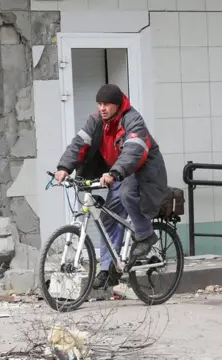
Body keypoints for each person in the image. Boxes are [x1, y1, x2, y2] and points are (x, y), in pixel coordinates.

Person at [54, 84, 168, 290]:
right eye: (99, 104)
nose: (102, 108)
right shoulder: (96, 120)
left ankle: (145, 235)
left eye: (106, 104)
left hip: (142, 170)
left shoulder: (133, 120)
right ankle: (107, 271)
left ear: (117, 105)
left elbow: (133, 151)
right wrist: (64, 167)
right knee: (108, 219)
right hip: (118, 172)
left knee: (127, 193)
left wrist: (115, 173)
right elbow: (79, 144)